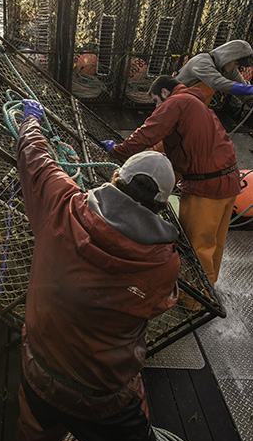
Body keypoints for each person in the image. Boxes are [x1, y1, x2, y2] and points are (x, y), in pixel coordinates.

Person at [11, 98, 180, 441]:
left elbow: (35, 156)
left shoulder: (61, 205)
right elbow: (161, 304)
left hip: (40, 369)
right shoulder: (164, 263)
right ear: (161, 209)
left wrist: (31, 119)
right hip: (106, 397)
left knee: (34, 437)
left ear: (115, 179)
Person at [102, 76, 241, 286]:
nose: (157, 107)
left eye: (156, 101)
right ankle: (210, 289)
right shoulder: (196, 105)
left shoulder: (175, 103)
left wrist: (119, 151)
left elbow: (148, 133)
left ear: (165, 93)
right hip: (229, 180)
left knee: (196, 246)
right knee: (215, 243)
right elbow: (166, 145)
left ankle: (194, 301)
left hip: (206, 188)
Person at [174, 39, 253, 106]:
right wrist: (248, 89)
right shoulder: (202, 61)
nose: (236, 68)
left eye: (238, 66)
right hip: (174, 103)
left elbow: (244, 89)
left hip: (193, 107)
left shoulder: (228, 69)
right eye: (236, 64)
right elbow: (216, 82)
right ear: (228, 57)